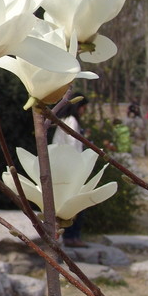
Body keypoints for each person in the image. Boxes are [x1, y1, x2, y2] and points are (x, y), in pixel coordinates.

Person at [52, 94, 88, 246]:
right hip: (72, 168)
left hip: (62, 166)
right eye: (84, 108)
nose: (84, 112)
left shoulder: (64, 121)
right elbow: (73, 145)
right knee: (77, 203)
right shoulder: (71, 121)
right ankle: (72, 236)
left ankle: (68, 236)